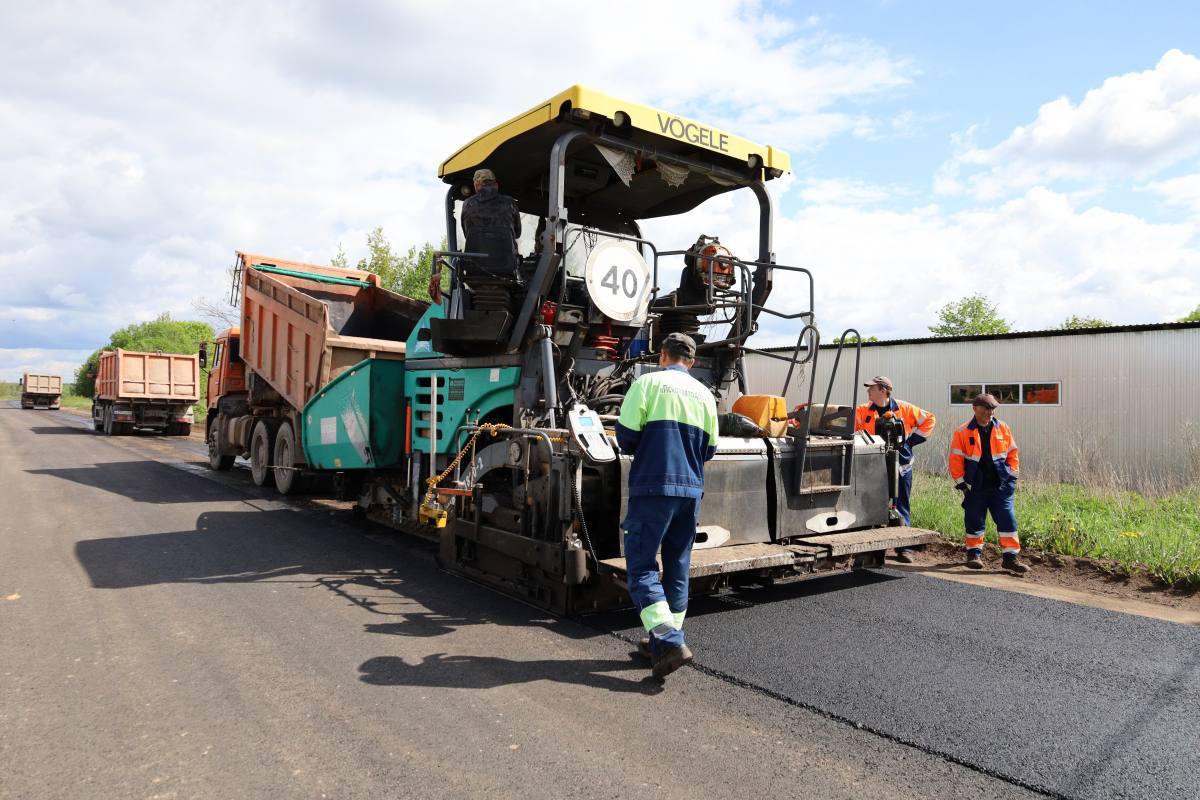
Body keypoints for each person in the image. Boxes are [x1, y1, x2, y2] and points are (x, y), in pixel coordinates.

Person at [615, 332, 718, 679]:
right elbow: (710, 449)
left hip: (652, 487)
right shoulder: (705, 395)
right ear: (691, 362)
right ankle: (661, 643)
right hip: (690, 491)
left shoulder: (647, 384)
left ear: (662, 356)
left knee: (642, 567)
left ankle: (669, 639)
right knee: (677, 564)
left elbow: (626, 436)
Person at [854, 376, 936, 563]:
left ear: (883, 391)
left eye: (871, 388)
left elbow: (929, 420)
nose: (868, 392)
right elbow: (852, 428)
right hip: (872, 466)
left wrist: (910, 442)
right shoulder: (862, 410)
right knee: (871, 505)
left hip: (901, 465)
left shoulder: (904, 408)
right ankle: (871, 549)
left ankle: (904, 548)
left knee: (900, 504)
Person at [948, 393, 1029, 575]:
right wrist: (962, 484)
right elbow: (956, 459)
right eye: (986, 408)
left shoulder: (1003, 428)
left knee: (1007, 520)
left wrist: (1011, 478)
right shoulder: (962, 431)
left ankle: (1011, 558)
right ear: (975, 409)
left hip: (1001, 486)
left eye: (993, 408)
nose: (990, 412)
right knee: (974, 520)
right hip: (976, 486)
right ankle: (974, 555)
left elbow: (1012, 453)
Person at [428, 168, 521, 301]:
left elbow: (469, 234)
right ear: (496, 184)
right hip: (507, 269)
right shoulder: (510, 203)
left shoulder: (468, 204)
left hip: (475, 269)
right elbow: (517, 233)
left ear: (476, 186)